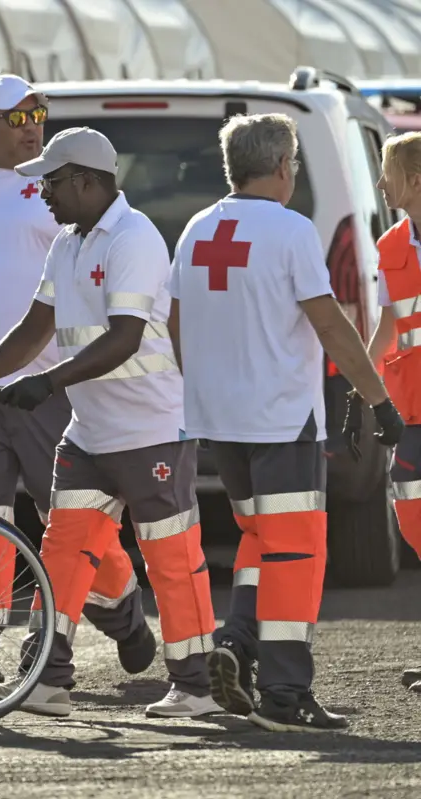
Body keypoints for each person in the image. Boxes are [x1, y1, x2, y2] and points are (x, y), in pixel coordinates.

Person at [0, 73, 158, 686]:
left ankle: (123, 607)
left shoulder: (56, 189)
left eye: (39, 114)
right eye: (18, 118)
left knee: (73, 521)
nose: (33, 127)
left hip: (52, 386)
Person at [0, 127, 221, 719]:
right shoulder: (68, 242)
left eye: (51, 184)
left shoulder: (134, 239)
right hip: (89, 432)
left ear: (86, 180)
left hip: (151, 430)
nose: (44, 196)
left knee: (168, 556)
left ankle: (196, 687)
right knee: (61, 551)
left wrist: (48, 382)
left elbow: (125, 338)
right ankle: (47, 681)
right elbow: (34, 329)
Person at [170, 113, 402, 731]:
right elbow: (330, 323)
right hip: (281, 421)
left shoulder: (197, 229)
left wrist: (202, 392)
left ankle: (238, 641)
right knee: (297, 553)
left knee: (259, 540)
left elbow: (175, 322)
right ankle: (285, 695)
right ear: (279, 167)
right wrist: (378, 398)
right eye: (294, 164)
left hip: (222, 424)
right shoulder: (292, 230)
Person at [357, 131, 421, 693]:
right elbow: (387, 329)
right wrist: (362, 385)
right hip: (412, 407)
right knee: (413, 520)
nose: (381, 183)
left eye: (387, 171)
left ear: (414, 181)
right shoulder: (390, 245)